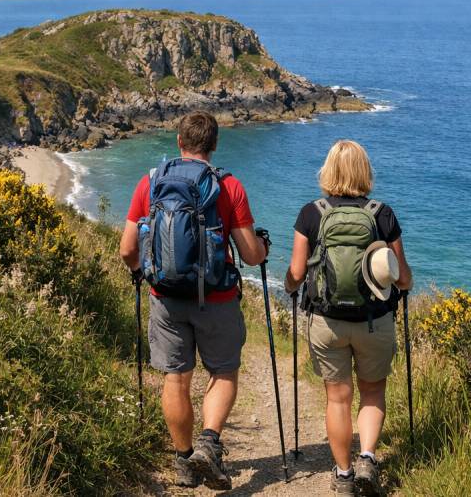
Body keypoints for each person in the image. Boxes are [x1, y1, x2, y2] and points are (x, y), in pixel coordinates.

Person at [120, 111, 269, 490]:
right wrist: (264, 247)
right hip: (216, 296)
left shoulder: (150, 182)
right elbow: (250, 255)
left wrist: (143, 273)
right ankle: (210, 442)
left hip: (165, 296)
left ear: (178, 141)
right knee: (223, 371)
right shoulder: (228, 186)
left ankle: (185, 461)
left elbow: (126, 249)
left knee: (177, 376)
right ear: (215, 144)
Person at [284, 140, 413, 496]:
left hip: (327, 322)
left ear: (327, 170)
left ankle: (343, 475)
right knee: (372, 392)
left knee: (337, 398)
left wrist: (289, 284)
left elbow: (296, 272)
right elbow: (402, 278)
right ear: (365, 171)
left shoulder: (311, 213)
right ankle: (368, 459)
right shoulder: (381, 213)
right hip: (375, 320)